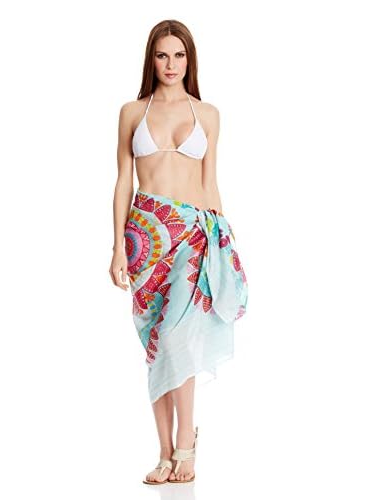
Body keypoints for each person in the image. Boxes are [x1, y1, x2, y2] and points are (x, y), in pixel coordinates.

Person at [109, 19, 248, 485]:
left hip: (192, 233)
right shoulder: (132, 112)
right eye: (163, 55)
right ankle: (165, 452)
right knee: (155, 343)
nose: (171, 64)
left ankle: (186, 442)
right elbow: (123, 182)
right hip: (144, 236)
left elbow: (210, 182)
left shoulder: (207, 114)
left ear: (191, 60)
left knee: (177, 339)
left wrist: (225, 246)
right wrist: (116, 247)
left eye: (180, 55)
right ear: (151, 59)